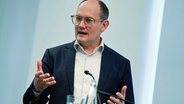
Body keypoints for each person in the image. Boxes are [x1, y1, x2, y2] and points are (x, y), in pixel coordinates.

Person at [23, 0, 134, 104]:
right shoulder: (54, 56)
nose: (81, 25)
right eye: (78, 18)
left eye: (88, 20)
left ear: (104, 25)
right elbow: (29, 101)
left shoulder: (121, 64)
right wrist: (36, 89)